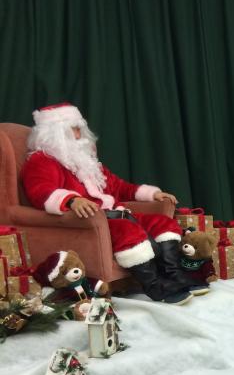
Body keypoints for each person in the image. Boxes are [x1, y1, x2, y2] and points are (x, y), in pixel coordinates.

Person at [21, 102, 206, 305]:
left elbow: (118, 186)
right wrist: (71, 200)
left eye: (79, 128)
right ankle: (154, 285)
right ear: (54, 133)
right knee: (128, 231)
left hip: (118, 214)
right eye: (73, 129)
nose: (79, 134)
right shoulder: (41, 161)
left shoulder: (87, 162)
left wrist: (151, 194)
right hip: (95, 222)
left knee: (164, 223)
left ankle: (174, 275)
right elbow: (40, 191)